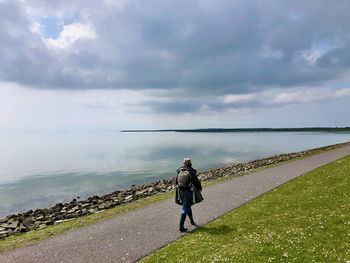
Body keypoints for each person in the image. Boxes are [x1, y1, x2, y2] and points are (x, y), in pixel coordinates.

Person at [175, 158, 202, 232]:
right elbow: (196, 180)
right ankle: (181, 227)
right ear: (189, 163)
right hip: (188, 191)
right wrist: (200, 188)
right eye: (190, 162)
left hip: (180, 191)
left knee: (188, 205)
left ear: (184, 163)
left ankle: (192, 221)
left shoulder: (180, 170)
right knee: (185, 207)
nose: (190, 163)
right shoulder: (190, 171)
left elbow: (176, 181)